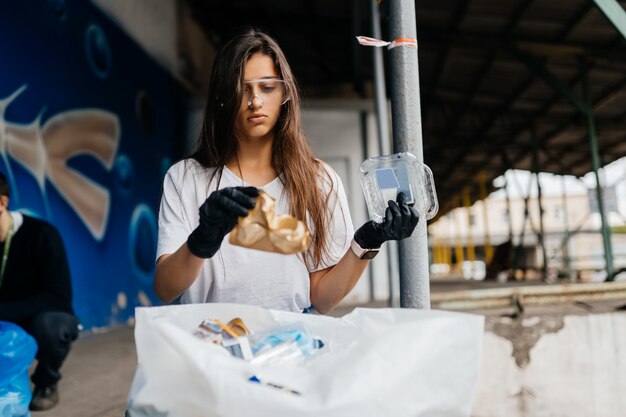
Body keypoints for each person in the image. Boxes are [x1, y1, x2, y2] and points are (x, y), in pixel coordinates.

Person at [154, 29, 419, 314]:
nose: (255, 101)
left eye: (267, 88)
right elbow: (166, 289)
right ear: (222, 97)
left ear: (284, 94)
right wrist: (202, 238)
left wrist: (368, 240)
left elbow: (322, 298)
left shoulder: (319, 181)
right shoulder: (185, 178)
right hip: (208, 348)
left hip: (289, 346)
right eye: (241, 89)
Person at [0, 172, 79, 411]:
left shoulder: (42, 234)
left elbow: (59, 297)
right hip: (3, 321)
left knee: (53, 326)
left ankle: (46, 382)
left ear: (2, 202)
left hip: (35, 318)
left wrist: (4, 311)